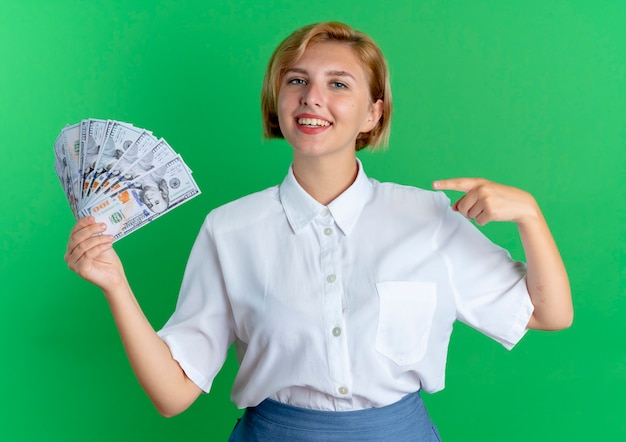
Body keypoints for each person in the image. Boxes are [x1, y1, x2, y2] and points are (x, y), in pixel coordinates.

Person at [65, 21, 573, 441]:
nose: (312, 98)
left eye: (338, 83)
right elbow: (173, 395)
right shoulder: (229, 230)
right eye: (296, 80)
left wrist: (529, 214)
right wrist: (115, 283)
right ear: (276, 101)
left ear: (373, 114)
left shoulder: (430, 218)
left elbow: (549, 314)